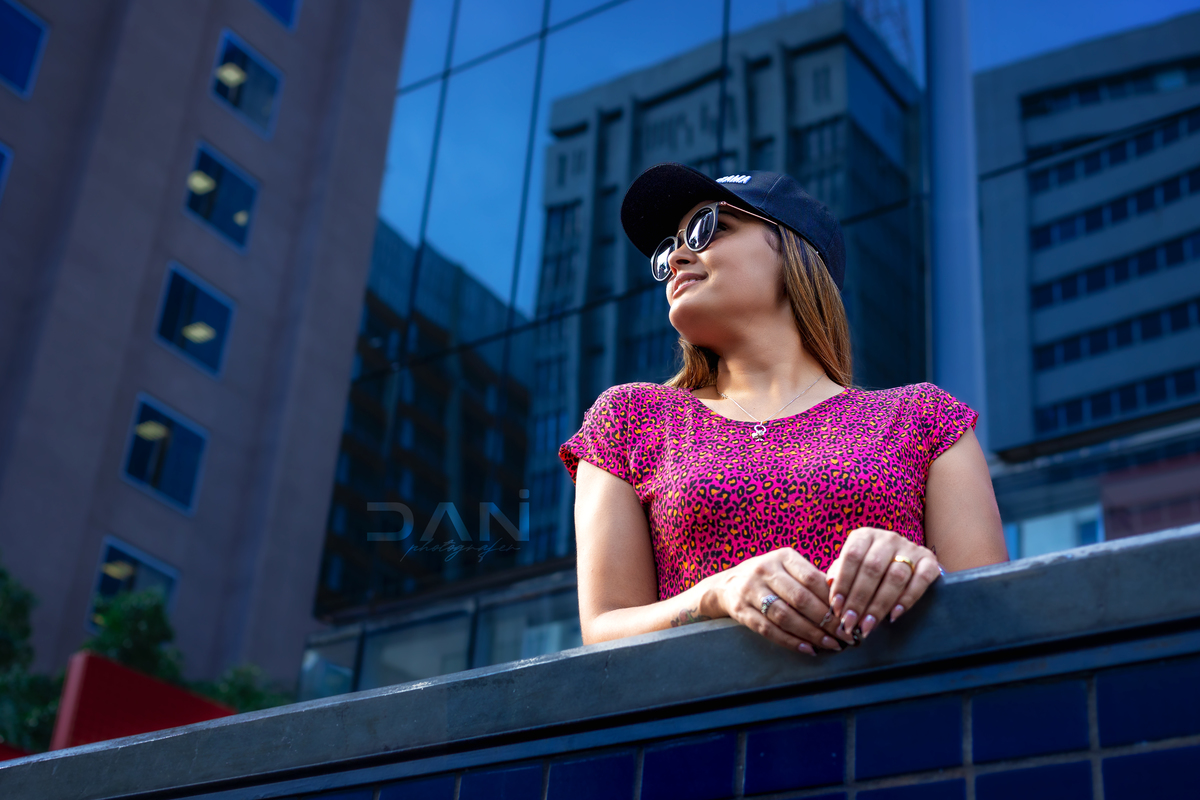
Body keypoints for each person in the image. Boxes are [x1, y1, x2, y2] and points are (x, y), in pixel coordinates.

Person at [559, 163, 1008, 655]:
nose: (679, 256)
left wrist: (918, 571)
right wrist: (715, 595)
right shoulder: (629, 420)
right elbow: (603, 631)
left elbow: (991, 609)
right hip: (708, 726)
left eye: (710, 227)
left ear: (795, 251)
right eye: (669, 248)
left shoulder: (924, 418)